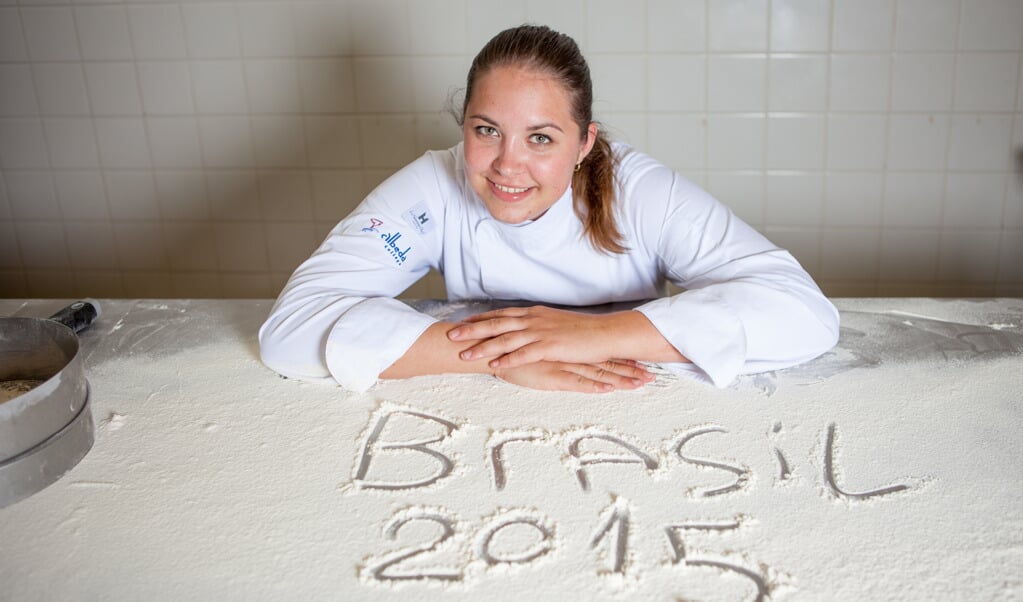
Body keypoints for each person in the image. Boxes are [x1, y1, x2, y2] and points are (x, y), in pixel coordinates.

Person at [259, 24, 839, 394]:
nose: (507, 166)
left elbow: (805, 313)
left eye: (541, 138)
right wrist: (499, 358)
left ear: (585, 142)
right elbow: (288, 331)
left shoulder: (643, 194)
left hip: (629, 398)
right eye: (487, 131)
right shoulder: (432, 188)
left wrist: (600, 335)